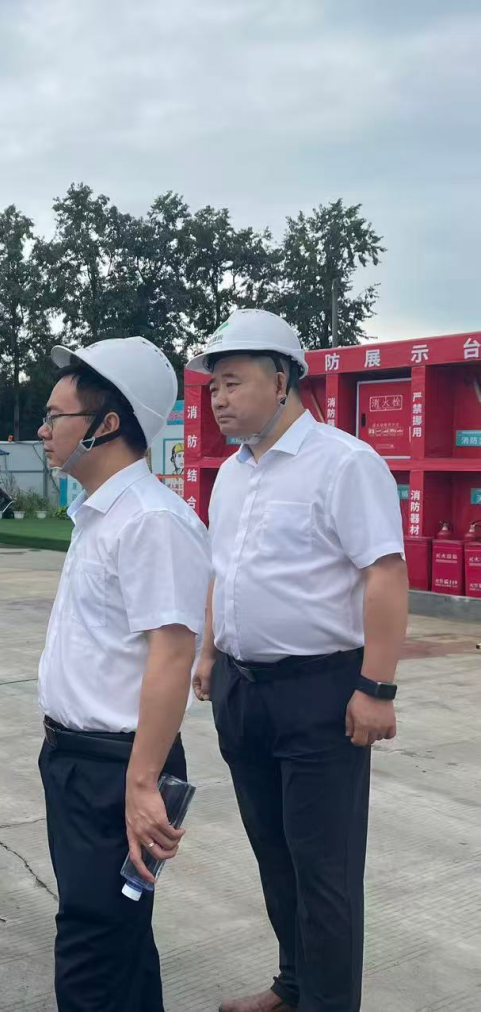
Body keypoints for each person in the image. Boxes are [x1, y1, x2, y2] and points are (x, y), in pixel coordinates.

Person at [189, 310, 407, 1012]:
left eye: (232, 382)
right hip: (242, 689)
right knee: (274, 857)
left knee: (323, 871)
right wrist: (209, 650)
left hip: (320, 694)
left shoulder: (344, 463)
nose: (218, 399)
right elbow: (223, 571)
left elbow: (384, 573)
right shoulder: (232, 475)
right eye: (212, 387)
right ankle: (294, 985)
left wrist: (376, 688)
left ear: (281, 380)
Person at [35, 337, 211, 1012]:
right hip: (77, 759)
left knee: (93, 947)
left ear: (106, 423)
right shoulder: (100, 514)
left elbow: (172, 655)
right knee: (117, 941)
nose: (44, 430)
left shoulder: (151, 521)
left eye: (56, 416)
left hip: (117, 767)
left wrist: (141, 784)